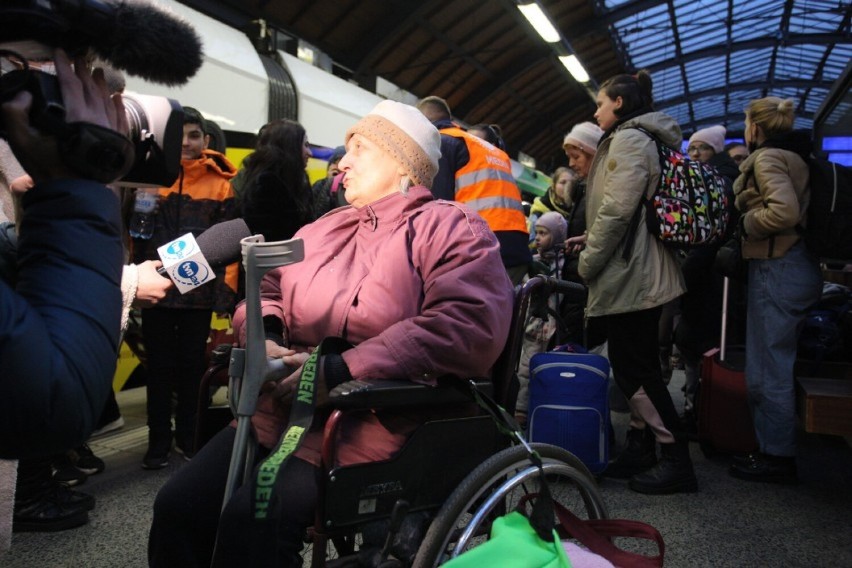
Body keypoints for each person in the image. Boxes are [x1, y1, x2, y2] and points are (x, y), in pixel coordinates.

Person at [148, 100, 513, 567]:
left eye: (359, 148)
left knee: (253, 520)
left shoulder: (451, 227)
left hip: (375, 420)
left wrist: (341, 369)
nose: (343, 162)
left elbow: (467, 324)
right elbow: (267, 290)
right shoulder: (322, 228)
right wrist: (268, 333)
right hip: (276, 412)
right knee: (177, 506)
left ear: (402, 160)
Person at [564, 70, 697, 495]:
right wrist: (590, 238)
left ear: (619, 103)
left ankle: (676, 459)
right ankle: (642, 448)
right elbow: (630, 211)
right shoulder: (637, 138)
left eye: (601, 102)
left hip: (632, 274)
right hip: (634, 265)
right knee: (635, 365)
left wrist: (587, 262)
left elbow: (618, 213)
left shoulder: (630, 140)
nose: (596, 110)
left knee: (635, 369)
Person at [132, 107, 239, 469]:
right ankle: (157, 443)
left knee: (194, 370)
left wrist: (225, 296)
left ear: (206, 141)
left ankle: (188, 437)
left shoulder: (221, 184)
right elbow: (135, 235)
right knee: (158, 369)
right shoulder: (148, 178)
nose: (186, 143)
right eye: (179, 135)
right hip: (154, 290)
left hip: (199, 296)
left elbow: (231, 248)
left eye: (194, 135)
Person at [728, 97, 822, 484]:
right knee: (774, 364)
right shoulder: (796, 157)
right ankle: (772, 448)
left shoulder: (767, 159)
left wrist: (747, 223)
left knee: (769, 370)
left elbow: (784, 212)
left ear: (755, 128)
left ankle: (776, 456)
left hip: (778, 268)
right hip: (796, 266)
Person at [416, 96, 531, 285]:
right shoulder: (482, 147)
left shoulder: (444, 143)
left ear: (424, 120)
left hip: (483, 247)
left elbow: (437, 206)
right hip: (516, 247)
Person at [676, 125, 741, 422]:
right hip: (715, 278)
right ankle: (703, 412)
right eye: (691, 149)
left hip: (711, 280)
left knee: (700, 346)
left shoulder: (716, 181)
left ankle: (700, 414)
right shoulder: (719, 177)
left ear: (714, 150)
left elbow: (705, 238)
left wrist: (683, 278)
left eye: (701, 148)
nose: (694, 154)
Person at [515, 211, 568, 426]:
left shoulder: (561, 263)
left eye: (544, 233)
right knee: (526, 368)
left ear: (557, 236)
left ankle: (539, 409)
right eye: (536, 233)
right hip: (532, 327)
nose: (537, 238)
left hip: (551, 326)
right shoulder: (534, 262)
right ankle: (521, 411)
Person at [240, 119, 314, 242]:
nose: (310, 153)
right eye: (305, 145)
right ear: (290, 146)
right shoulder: (266, 185)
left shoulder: (300, 180)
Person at [527, 167, 575, 242]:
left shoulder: (576, 212)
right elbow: (531, 240)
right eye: (563, 182)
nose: (567, 187)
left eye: (570, 183)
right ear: (553, 185)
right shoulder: (539, 211)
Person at [311, 145, 346, 218]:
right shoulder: (320, 184)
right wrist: (330, 180)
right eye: (337, 162)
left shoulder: (349, 187)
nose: (340, 166)